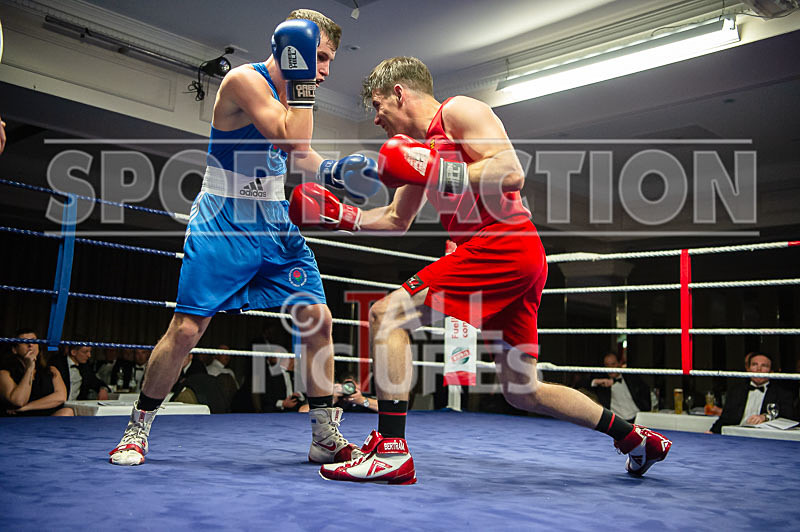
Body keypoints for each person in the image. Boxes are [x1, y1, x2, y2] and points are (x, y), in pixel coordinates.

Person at [290, 56, 672, 485]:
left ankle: (392, 452)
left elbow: (511, 173)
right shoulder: (413, 154)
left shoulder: (458, 111)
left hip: (504, 240)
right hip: (504, 253)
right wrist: (342, 216)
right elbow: (397, 221)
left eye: (378, 105)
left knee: (387, 313)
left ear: (399, 92)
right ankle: (636, 439)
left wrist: (436, 171)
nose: (376, 118)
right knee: (522, 390)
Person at [109, 9, 371, 466]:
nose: (326, 71)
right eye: (321, 57)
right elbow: (291, 140)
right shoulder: (244, 82)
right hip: (224, 218)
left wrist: (335, 170)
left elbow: (301, 153)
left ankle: (324, 434)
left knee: (318, 318)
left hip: (272, 221)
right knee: (189, 328)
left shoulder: (291, 94)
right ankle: (137, 427)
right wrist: (303, 77)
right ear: (297, 52)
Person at [709, 352, 796, 434]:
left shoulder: (782, 394)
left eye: (764, 366)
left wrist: (765, 417)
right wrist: (712, 432)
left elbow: (787, 419)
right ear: (748, 368)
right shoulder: (736, 391)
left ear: (771, 371)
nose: (759, 369)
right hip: (736, 436)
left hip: (764, 437)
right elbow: (725, 418)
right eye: (754, 365)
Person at [0, 329, 73, 416]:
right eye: (24, 342)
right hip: (18, 421)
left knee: (67, 411)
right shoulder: (4, 374)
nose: (30, 345)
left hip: (44, 419)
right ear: (14, 349)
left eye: (34, 341)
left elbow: (61, 397)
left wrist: (25, 408)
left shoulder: (52, 370)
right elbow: (19, 401)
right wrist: (29, 368)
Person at [590, 352, 650, 422]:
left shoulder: (631, 377)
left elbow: (646, 394)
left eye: (613, 364)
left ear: (619, 363)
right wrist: (596, 381)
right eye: (607, 365)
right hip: (617, 421)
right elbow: (580, 386)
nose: (610, 368)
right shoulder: (602, 382)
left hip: (637, 418)